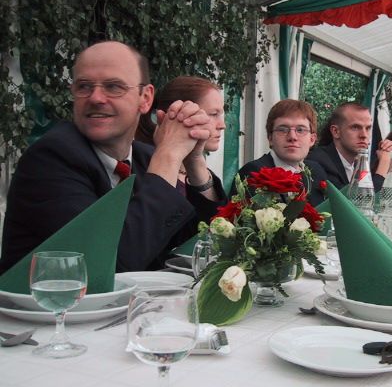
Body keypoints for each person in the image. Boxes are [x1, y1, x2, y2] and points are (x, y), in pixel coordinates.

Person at [0, 41, 218, 274]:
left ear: (145, 98)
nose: (96, 98)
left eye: (113, 87)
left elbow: (200, 242)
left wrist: (195, 162)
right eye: (84, 86)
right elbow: (110, 263)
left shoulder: (144, 158)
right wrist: (168, 154)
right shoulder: (50, 159)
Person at [136, 75, 228, 203]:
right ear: (177, 112)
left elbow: (216, 215)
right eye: (213, 114)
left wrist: (196, 163)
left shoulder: (200, 172)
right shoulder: (139, 169)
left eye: (220, 115)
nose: (222, 125)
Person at [235, 99, 327, 206]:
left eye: (300, 130)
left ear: (312, 139)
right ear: (270, 138)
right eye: (283, 129)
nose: (292, 137)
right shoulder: (253, 173)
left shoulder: (317, 171)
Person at [307, 102, 392, 191]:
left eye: (368, 128)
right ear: (335, 131)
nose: (364, 135)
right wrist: (384, 164)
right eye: (355, 127)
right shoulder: (319, 161)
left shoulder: (360, 163)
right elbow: (361, 199)